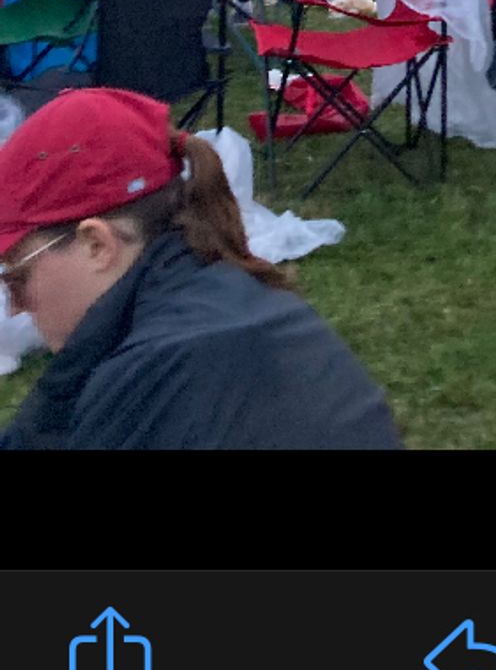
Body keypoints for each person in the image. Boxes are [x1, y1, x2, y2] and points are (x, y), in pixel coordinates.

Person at [0, 88, 402, 449]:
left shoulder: (155, 376)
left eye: (15, 278)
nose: (16, 307)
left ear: (97, 245)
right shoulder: (222, 295)